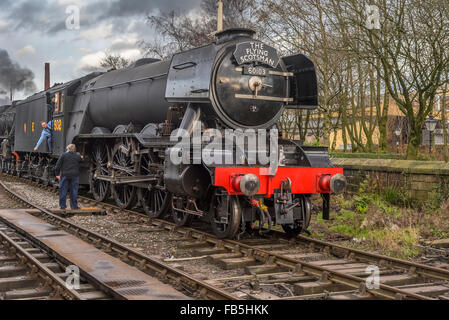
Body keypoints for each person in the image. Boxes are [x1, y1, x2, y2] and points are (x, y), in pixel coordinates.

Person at [55, 144, 83, 210]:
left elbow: (58, 165)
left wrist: (57, 174)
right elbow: (81, 160)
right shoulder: (77, 156)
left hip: (65, 175)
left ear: (68, 149)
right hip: (74, 176)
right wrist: (80, 156)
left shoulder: (63, 155)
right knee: (74, 191)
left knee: (63, 191)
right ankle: (74, 206)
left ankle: (63, 206)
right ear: (74, 149)